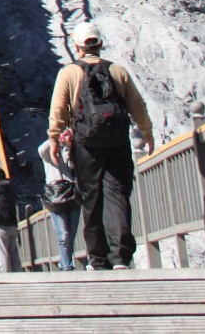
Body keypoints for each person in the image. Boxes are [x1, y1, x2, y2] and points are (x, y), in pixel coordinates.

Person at [48, 23, 155, 270]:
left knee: (91, 198)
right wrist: (147, 133)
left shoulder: (69, 73)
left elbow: (58, 111)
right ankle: (121, 257)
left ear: (77, 46)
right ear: (100, 44)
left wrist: (54, 139)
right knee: (118, 196)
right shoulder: (118, 71)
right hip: (117, 142)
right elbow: (137, 107)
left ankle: (98, 259)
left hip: (85, 144)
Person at [40, 130, 81, 271]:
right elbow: (42, 149)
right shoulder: (49, 155)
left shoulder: (71, 151)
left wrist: (70, 145)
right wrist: (56, 137)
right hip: (56, 195)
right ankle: (67, 264)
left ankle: (65, 262)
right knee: (64, 234)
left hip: (72, 195)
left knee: (72, 233)